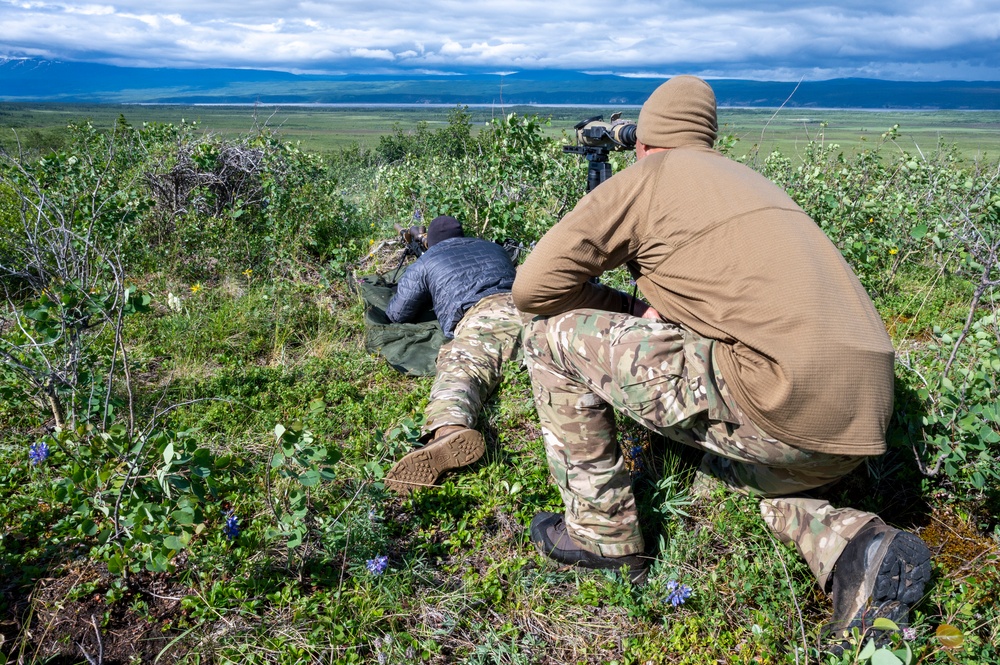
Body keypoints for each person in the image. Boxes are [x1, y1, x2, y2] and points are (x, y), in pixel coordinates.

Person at [511, 76, 931, 635]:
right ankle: (857, 548)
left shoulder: (649, 178)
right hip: (855, 431)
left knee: (546, 335)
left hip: (774, 406)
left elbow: (532, 289)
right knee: (721, 470)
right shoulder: (754, 183)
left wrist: (627, 312)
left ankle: (601, 536)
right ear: (707, 136)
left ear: (643, 142)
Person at [383, 215, 524, 494]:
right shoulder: (494, 248)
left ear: (431, 242)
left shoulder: (428, 258)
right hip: (531, 311)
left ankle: (448, 429)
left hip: (484, 317)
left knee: (461, 369)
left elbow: (397, 313)